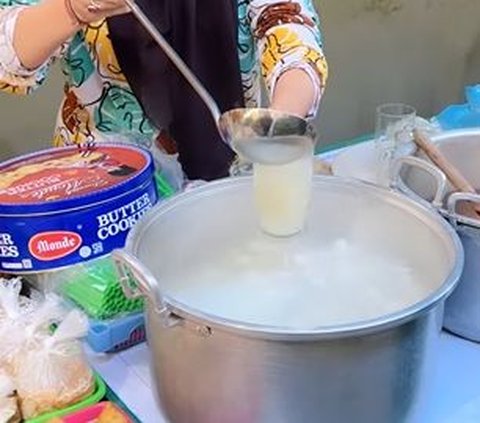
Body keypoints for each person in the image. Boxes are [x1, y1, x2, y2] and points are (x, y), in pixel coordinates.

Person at [0, 0, 328, 189]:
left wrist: (278, 128)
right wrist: (73, 9)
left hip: (233, 166)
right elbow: (8, 62)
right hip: (105, 188)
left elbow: (290, 26)